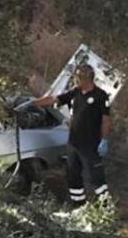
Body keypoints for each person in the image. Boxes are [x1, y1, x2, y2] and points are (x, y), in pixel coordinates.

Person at [34, 62, 112, 208]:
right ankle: (78, 206)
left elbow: (106, 120)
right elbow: (54, 99)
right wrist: (34, 103)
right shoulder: (75, 92)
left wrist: (104, 140)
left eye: (78, 78)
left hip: (90, 144)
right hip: (73, 143)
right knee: (73, 176)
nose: (76, 81)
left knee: (96, 177)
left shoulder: (100, 96)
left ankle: (105, 208)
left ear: (87, 79)